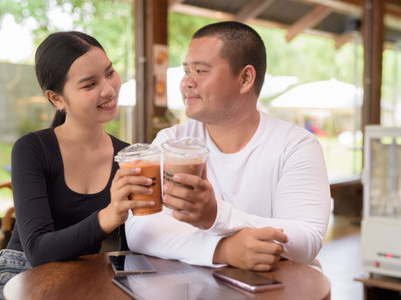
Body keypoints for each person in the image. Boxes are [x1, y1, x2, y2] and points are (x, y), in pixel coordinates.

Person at [126, 21, 331, 271]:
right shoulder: (171, 142)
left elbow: (306, 240)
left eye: (200, 71)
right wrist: (223, 250)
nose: (186, 83)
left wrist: (216, 217)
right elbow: (140, 229)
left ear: (245, 78)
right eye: (185, 71)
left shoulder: (295, 145)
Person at [0, 31, 155, 300]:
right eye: (89, 84)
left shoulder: (128, 156)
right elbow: (38, 251)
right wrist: (110, 216)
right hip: (21, 276)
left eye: (110, 73)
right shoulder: (32, 149)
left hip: (94, 277)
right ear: (56, 99)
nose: (108, 89)